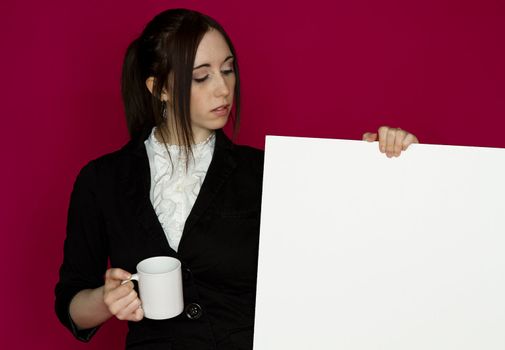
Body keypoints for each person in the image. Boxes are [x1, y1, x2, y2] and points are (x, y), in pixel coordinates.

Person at [54, 8, 419, 350]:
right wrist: (107, 301)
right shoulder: (101, 180)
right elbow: (71, 304)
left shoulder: (265, 172)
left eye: (228, 70)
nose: (224, 89)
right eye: (202, 76)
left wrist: (389, 162)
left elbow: (348, 247)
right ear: (159, 88)